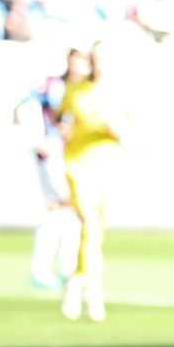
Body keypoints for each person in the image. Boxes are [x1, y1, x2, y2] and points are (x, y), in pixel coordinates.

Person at [58, 41, 126, 323]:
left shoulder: (111, 91)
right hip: (79, 166)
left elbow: (123, 128)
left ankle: (76, 281)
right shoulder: (76, 92)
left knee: (97, 228)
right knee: (90, 224)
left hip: (106, 164)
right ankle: (94, 293)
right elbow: (63, 118)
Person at [14, 51, 85, 290]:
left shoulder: (80, 89)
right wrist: (36, 139)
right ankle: (44, 269)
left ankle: (66, 267)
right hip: (52, 151)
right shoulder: (54, 86)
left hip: (70, 153)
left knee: (71, 210)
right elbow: (25, 108)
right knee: (60, 207)